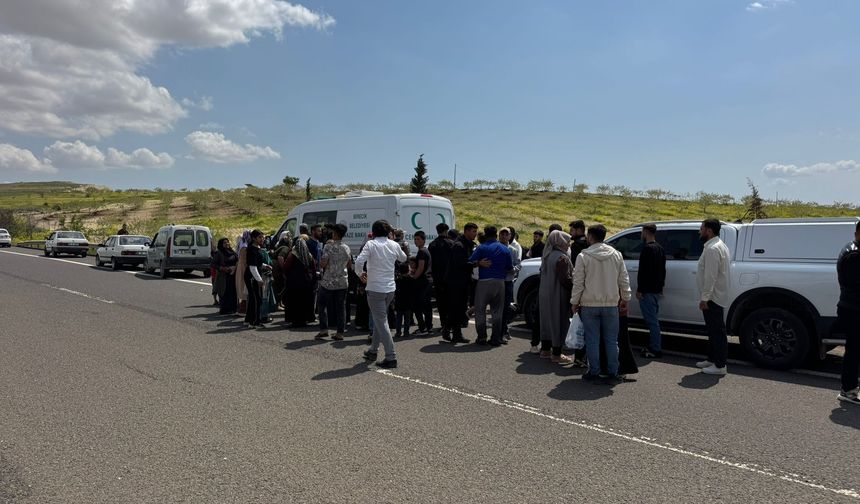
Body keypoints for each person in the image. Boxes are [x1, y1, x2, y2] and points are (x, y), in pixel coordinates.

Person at [571, 224, 632, 382]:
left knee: (592, 339)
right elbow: (623, 279)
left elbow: (578, 282)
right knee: (612, 340)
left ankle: (594, 371)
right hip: (611, 304)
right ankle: (613, 371)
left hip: (589, 305)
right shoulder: (616, 255)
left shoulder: (583, 256)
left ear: (590, 237)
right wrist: (625, 298)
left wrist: (574, 301)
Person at [355, 219, 407, 368]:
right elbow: (403, 258)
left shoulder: (370, 244)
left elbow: (359, 262)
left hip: (375, 288)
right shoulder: (394, 244)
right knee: (380, 320)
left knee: (381, 321)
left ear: (374, 232)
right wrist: (393, 241)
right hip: (390, 288)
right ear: (388, 232)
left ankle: (391, 356)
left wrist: (361, 273)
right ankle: (373, 350)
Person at [695, 218, 731, 376]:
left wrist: (705, 298)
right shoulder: (718, 246)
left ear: (709, 230)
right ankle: (712, 358)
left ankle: (720, 365)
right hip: (715, 296)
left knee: (717, 332)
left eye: (701, 228)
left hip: (713, 298)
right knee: (712, 330)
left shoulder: (712, 249)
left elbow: (711, 276)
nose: (700, 231)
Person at [469, 226, 513, 346]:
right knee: (497, 311)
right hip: (500, 283)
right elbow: (510, 267)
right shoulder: (505, 249)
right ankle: (496, 338)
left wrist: (479, 263)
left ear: (486, 235)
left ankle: (482, 337)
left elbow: (470, 262)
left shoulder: (481, 247)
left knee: (480, 310)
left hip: (484, 281)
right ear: (496, 234)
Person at [538, 230, 574, 363]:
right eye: (567, 242)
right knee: (558, 321)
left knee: (546, 321)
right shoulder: (562, 258)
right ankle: (557, 354)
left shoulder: (547, 255)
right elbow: (565, 280)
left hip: (545, 293)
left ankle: (545, 350)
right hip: (557, 294)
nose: (568, 244)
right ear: (560, 242)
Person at [837, 221, 860, 405]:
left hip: (852, 307)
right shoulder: (854, 255)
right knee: (854, 351)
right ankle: (848, 390)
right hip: (854, 310)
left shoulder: (853, 249)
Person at [317, 224, 352, 340]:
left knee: (322, 305)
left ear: (335, 234)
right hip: (342, 281)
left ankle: (324, 329)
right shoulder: (346, 247)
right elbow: (349, 264)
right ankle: (340, 332)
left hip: (328, 281)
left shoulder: (328, 247)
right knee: (341, 307)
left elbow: (323, 263)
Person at [444, 223, 478, 344]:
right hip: (456, 281)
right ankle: (455, 333)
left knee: (459, 308)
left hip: (463, 281)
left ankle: (448, 329)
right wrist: (476, 264)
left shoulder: (467, 244)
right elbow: (461, 264)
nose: (475, 234)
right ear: (467, 231)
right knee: (457, 308)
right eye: (473, 231)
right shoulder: (459, 245)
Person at [637, 223, 667, 358]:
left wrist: (640, 289)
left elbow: (643, 271)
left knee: (652, 321)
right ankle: (654, 346)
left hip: (647, 290)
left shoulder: (647, 249)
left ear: (646, 232)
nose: (641, 234)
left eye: (642, 231)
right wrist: (661, 287)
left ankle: (655, 348)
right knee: (654, 319)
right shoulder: (660, 249)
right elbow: (662, 270)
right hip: (655, 289)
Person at [283, 236, 316, 328]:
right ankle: (304, 319)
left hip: (294, 282)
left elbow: (286, 267)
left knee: (294, 302)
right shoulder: (309, 255)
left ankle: (294, 321)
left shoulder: (292, 254)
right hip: (306, 282)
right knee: (304, 302)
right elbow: (313, 268)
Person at [428, 223, 453, 339]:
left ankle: (443, 324)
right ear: (446, 231)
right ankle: (450, 325)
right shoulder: (451, 243)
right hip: (449, 278)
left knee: (441, 303)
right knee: (450, 302)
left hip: (437, 278)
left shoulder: (432, 245)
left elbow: (430, 263)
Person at [499, 227, 520, 341]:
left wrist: (513, 269)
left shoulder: (513, 250)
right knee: (497, 307)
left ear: (510, 236)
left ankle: (503, 330)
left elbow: (518, 264)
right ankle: (500, 331)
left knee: (506, 307)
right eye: (501, 234)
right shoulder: (496, 248)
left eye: (506, 234)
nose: (503, 236)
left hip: (508, 281)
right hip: (497, 281)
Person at [411, 231, 433, 335]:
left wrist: (413, 277)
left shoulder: (421, 252)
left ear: (424, 240)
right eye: (415, 239)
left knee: (417, 306)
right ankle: (429, 327)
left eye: (418, 239)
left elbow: (420, 267)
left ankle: (422, 328)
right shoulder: (426, 251)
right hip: (428, 280)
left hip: (422, 281)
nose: (416, 241)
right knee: (427, 306)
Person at [244, 230, 266, 328]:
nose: (262, 239)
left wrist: (265, 266)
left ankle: (249, 319)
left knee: (256, 298)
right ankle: (253, 322)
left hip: (256, 275)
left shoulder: (258, 248)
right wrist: (259, 280)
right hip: (251, 277)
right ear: (254, 238)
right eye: (260, 237)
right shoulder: (251, 249)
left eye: (263, 237)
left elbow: (258, 263)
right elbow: (252, 267)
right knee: (255, 299)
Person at [213, 237, 238, 315]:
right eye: (224, 242)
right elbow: (213, 264)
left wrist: (235, 267)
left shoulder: (232, 252)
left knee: (233, 292)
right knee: (224, 292)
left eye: (228, 242)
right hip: (223, 276)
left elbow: (237, 260)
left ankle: (233, 309)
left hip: (233, 275)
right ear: (221, 244)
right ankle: (225, 309)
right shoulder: (219, 253)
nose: (227, 244)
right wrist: (223, 268)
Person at [394, 260, 414, 339]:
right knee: (407, 319)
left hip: (399, 301)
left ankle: (398, 332)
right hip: (408, 302)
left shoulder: (398, 281)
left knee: (399, 318)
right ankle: (406, 332)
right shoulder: (411, 280)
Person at [235, 231, 251, 315]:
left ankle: (241, 308)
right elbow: (245, 261)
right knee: (244, 287)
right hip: (243, 268)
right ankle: (242, 309)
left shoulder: (242, 245)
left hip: (240, 267)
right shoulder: (244, 247)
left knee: (242, 287)